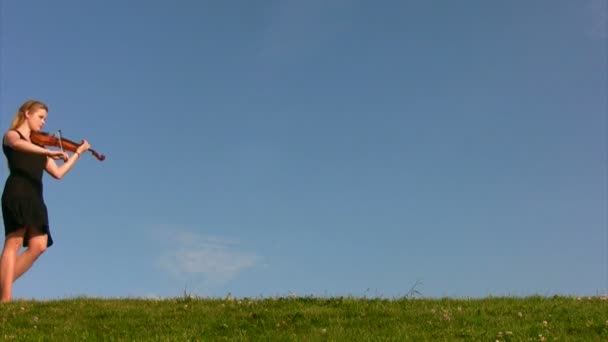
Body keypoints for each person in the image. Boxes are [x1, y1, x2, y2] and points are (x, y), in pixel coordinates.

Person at [0, 99, 90, 302]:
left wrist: (77, 153)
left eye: (45, 119)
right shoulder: (12, 135)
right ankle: (5, 299)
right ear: (26, 114)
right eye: (40, 117)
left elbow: (58, 173)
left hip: (35, 195)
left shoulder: (39, 145)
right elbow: (17, 144)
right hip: (18, 191)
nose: (43, 123)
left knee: (39, 245)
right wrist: (48, 151)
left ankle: (1, 285)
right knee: (13, 241)